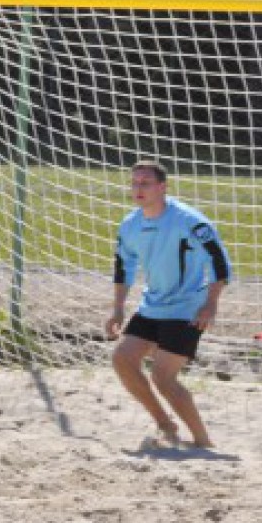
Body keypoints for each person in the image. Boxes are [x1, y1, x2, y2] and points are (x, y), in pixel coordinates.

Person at [104, 160, 230, 449]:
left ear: (162, 187)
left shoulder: (189, 220)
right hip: (153, 306)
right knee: (122, 358)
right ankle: (165, 424)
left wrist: (211, 304)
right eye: (134, 183)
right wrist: (118, 308)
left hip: (188, 308)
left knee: (163, 377)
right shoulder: (130, 224)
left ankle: (202, 441)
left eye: (145, 183)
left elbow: (220, 263)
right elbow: (123, 267)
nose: (138, 188)